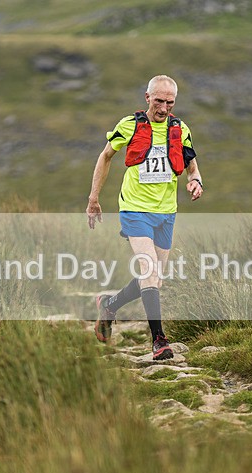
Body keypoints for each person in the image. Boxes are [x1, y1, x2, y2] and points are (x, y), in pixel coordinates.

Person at [86, 75, 204, 361]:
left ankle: (109, 304)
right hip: (135, 208)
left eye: (170, 102)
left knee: (154, 278)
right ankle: (159, 341)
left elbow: (189, 161)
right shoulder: (130, 125)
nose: (164, 108)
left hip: (166, 211)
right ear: (147, 97)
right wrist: (93, 199)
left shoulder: (180, 128)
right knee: (148, 270)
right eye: (159, 101)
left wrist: (196, 179)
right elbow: (105, 157)